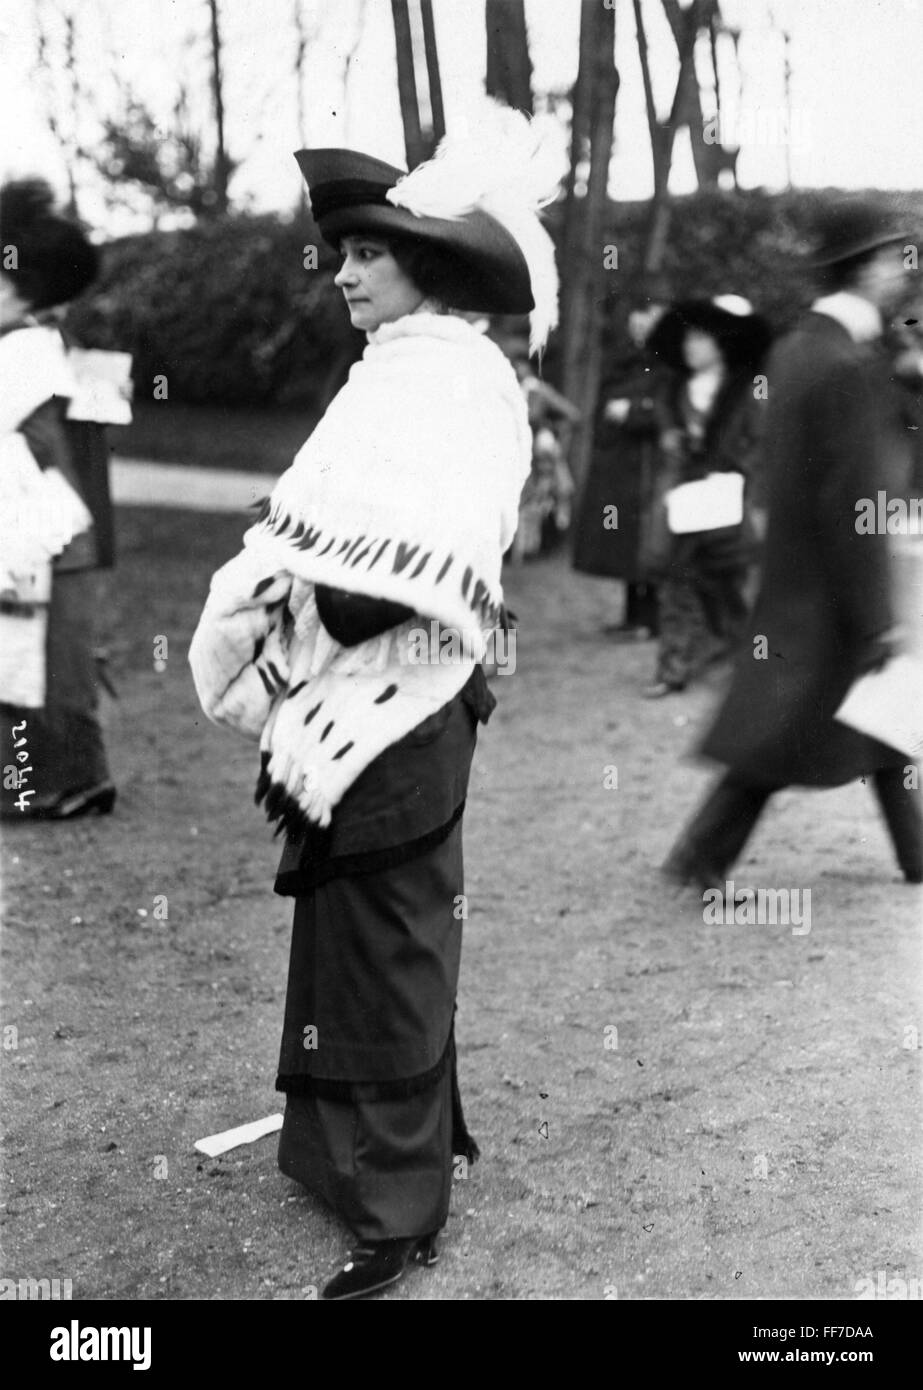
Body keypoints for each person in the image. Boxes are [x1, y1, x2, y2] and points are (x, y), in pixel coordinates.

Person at [189, 110, 560, 1299]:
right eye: (340, 252)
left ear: (428, 265)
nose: (343, 272)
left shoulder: (455, 382)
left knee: (391, 936)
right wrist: (294, 564)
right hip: (350, 697)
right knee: (341, 925)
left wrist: (300, 579)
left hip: (403, 701)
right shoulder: (392, 373)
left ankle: (397, 1208)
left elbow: (416, 562)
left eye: (368, 253)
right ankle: (335, 1154)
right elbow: (324, 525)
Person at [663, 202, 923, 888]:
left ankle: (916, 851)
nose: (905, 270)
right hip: (830, 584)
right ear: (864, 267)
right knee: (782, 732)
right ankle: (698, 858)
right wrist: (875, 615)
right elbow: (851, 500)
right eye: (896, 256)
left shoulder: (801, 346)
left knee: (870, 717)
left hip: (800, 575)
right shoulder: (840, 361)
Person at [0, 179, 117, 820]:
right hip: (34, 526)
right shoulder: (33, 348)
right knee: (30, 658)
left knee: (46, 664)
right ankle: (47, 778)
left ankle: (60, 779)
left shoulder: (25, 353)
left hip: (46, 528)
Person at [642, 295, 771, 697]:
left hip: (731, 503)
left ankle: (743, 665)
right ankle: (672, 669)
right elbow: (666, 439)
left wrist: (737, 478)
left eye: (700, 339)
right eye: (687, 339)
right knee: (677, 584)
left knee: (730, 587)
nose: (689, 347)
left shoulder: (750, 391)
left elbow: (761, 445)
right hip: (684, 502)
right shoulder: (675, 389)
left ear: (721, 344)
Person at [572, 300, 667, 639]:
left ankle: (650, 619)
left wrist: (635, 411)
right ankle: (631, 615)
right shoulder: (623, 357)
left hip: (650, 462)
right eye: (636, 314)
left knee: (647, 538)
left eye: (649, 316)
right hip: (621, 461)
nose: (640, 323)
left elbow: (671, 409)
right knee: (626, 540)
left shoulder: (669, 360)